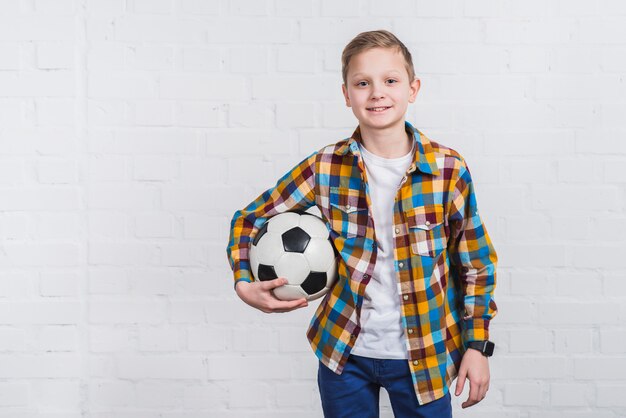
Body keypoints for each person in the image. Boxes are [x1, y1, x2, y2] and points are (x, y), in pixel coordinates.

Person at [226, 29, 498, 418]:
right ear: (346, 94)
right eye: (362, 83)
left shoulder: (447, 169)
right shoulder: (325, 166)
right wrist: (243, 283)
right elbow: (250, 219)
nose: (377, 93)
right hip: (344, 354)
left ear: (413, 88)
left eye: (390, 80)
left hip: (427, 355)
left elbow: (476, 264)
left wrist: (477, 346)